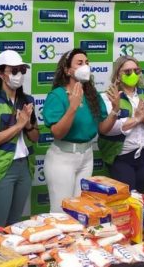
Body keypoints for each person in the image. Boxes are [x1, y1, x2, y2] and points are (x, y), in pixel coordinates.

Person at [42, 48, 112, 212]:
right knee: (61, 210)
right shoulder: (57, 96)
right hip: (62, 158)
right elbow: (58, 132)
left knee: (81, 209)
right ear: (67, 70)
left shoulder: (92, 95)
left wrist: (115, 111)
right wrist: (72, 107)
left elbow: (103, 128)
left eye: (87, 63)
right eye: (79, 63)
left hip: (87, 156)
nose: (85, 66)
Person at [0, 50, 39, 231]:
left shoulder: (27, 100)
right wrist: (19, 125)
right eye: (13, 71)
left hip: (24, 166)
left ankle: (11, 259)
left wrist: (27, 125)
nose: (19, 75)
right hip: (1, 168)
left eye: (21, 70)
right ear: (0, 73)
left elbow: (35, 137)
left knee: (14, 225)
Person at [99, 56, 144, 193]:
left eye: (136, 71)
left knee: (140, 198)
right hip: (121, 157)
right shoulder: (108, 96)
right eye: (127, 72)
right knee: (125, 199)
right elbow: (108, 129)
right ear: (117, 74)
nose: (133, 75)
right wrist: (136, 119)